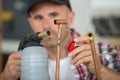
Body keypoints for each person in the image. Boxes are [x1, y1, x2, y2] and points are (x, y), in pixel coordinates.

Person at [0, 0, 120, 80]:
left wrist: (100, 70)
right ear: (30, 23)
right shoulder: (23, 60)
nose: (46, 25)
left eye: (53, 15)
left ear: (70, 18)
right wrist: (5, 76)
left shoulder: (107, 51)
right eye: (38, 17)